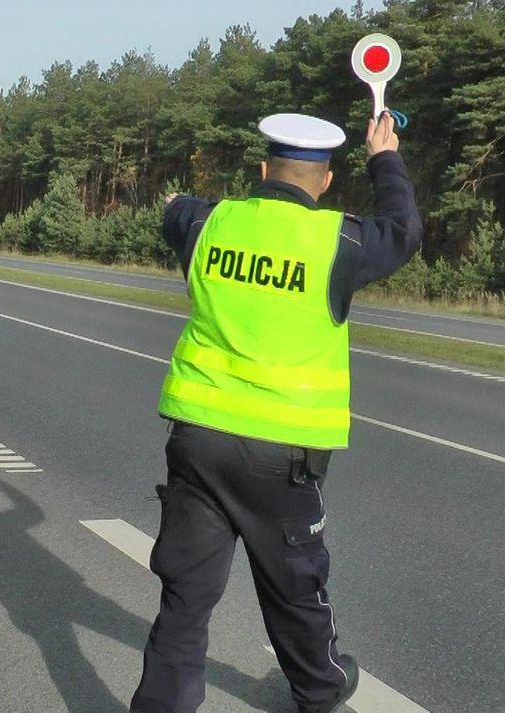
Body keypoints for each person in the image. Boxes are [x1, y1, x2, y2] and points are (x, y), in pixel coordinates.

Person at [131, 111, 422, 713]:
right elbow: (404, 229)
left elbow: (176, 208)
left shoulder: (210, 222)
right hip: (281, 454)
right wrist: (385, 156)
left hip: (198, 439)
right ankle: (319, 692)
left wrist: (182, 195)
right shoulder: (340, 240)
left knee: (185, 600)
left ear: (262, 170)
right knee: (295, 591)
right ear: (325, 182)